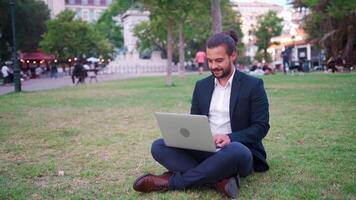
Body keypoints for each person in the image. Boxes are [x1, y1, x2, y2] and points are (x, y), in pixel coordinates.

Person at [133, 30, 270, 199]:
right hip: (206, 149)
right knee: (159, 145)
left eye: (219, 60)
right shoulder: (201, 86)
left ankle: (171, 182)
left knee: (235, 150)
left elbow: (261, 127)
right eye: (210, 60)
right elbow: (195, 122)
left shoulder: (253, 85)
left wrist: (230, 138)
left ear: (233, 55)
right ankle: (219, 181)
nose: (213, 66)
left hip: (237, 151)